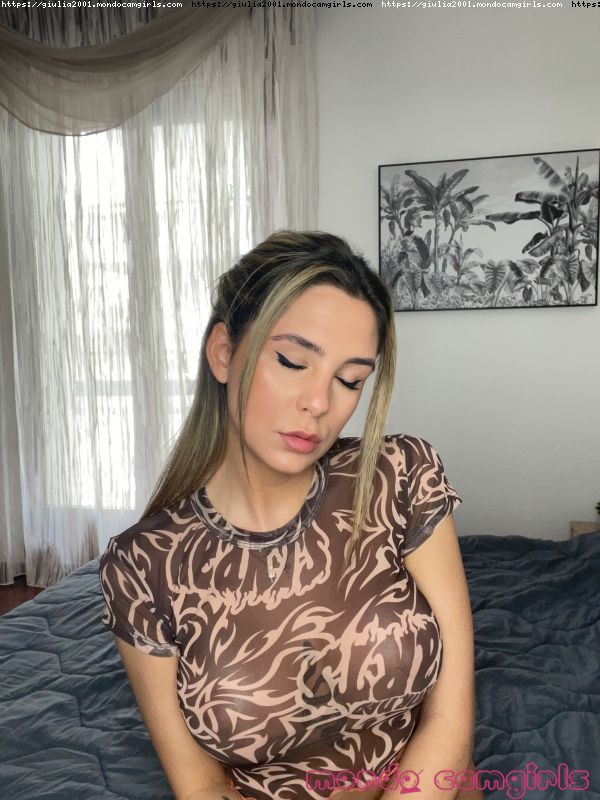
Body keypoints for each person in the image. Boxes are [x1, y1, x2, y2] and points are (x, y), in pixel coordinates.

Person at [99, 230, 484, 800]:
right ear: (224, 353)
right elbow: (200, 785)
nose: (320, 403)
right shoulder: (141, 566)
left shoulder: (402, 476)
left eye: (350, 380)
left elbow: (451, 722)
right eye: (293, 361)